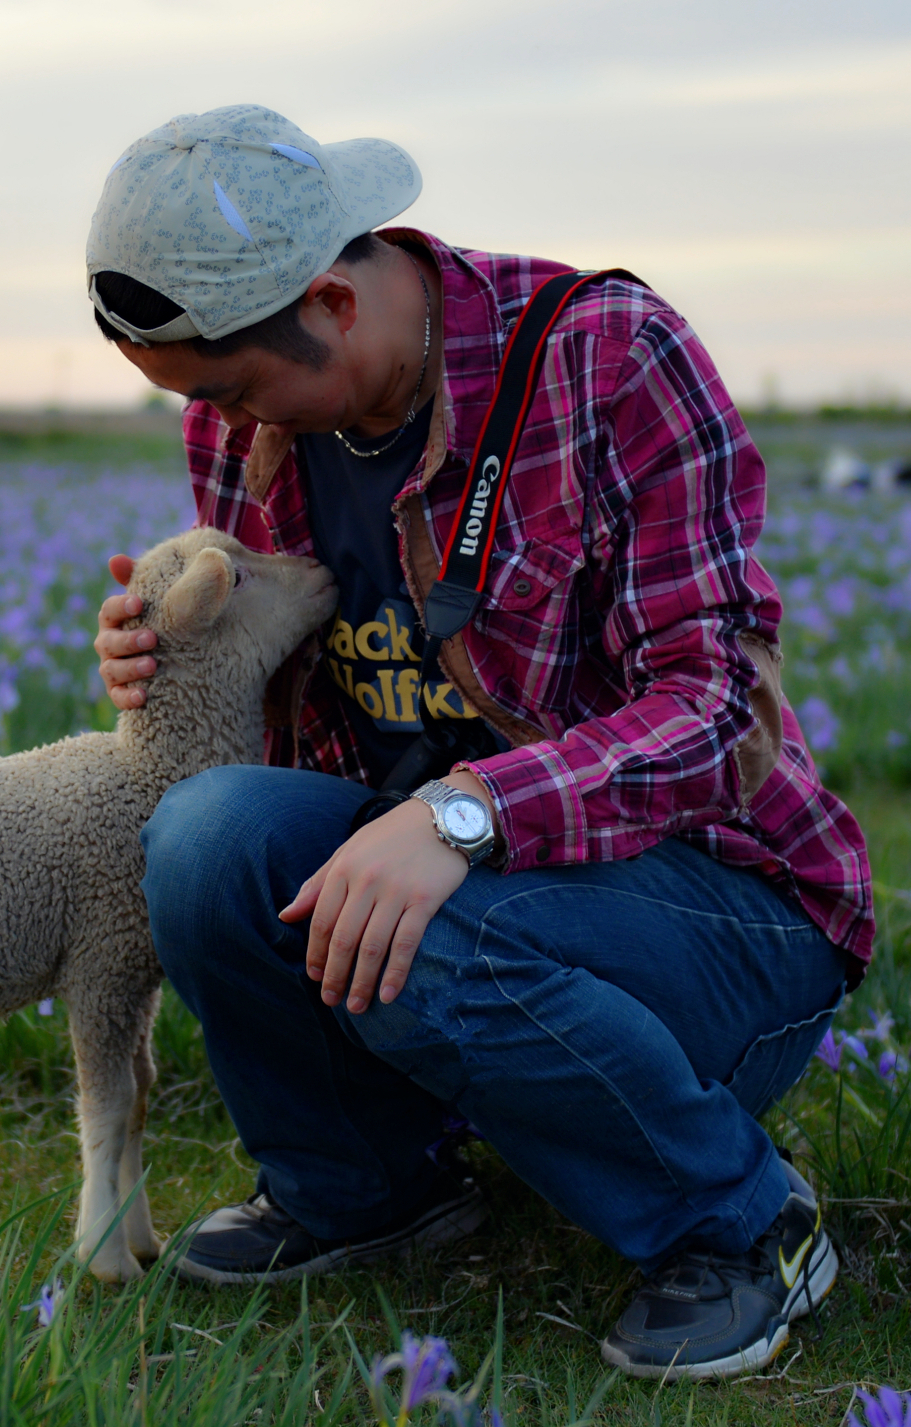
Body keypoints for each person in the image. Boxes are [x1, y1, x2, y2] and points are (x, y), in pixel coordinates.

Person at [85, 104, 873, 1380]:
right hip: (460, 895)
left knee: (425, 928)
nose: (225, 430)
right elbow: (303, 722)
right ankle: (365, 1184)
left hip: (717, 903)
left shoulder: (607, 355)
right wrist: (178, 664)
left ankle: (742, 1222)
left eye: (233, 391)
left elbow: (718, 709)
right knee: (200, 835)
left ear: (333, 301)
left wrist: (465, 814)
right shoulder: (245, 424)